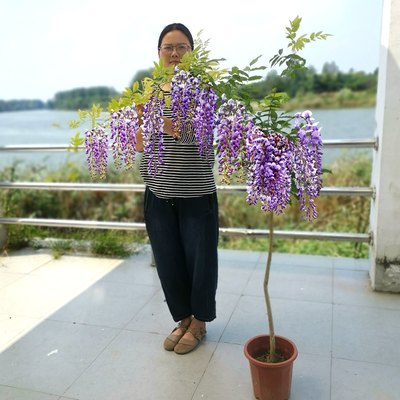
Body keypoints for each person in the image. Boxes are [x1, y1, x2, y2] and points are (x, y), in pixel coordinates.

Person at [135, 23, 219, 355]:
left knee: (200, 261)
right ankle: (182, 318)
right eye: (168, 47)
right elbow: (140, 143)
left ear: (192, 52)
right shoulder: (149, 89)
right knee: (168, 259)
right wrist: (141, 125)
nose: (174, 53)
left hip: (196, 190)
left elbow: (204, 137)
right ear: (158, 53)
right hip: (157, 190)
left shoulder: (204, 88)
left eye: (181, 46)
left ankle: (199, 323)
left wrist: (162, 123)